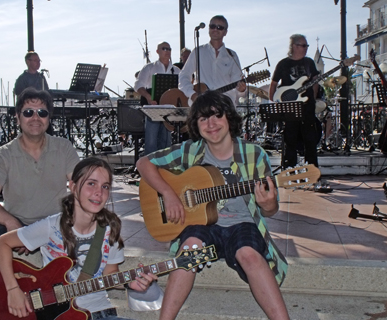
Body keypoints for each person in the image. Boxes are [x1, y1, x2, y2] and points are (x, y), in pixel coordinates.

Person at [136, 90, 289, 320]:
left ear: (229, 117)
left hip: (242, 224)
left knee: (249, 255)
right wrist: (168, 193)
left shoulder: (254, 154)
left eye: (217, 115)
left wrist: (268, 205)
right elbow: (143, 163)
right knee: (189, 250)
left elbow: (270, 209)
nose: (211, 124)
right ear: (196, 125)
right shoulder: (190, 150)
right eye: (203, 118)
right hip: (202, 225)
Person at [0, 157, 158, 319]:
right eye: (91, 183)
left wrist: (129, 283)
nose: (99, 192)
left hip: (101, 313)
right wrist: (12, 290)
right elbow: (2, 242)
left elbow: (110, 272)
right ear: (73, 186)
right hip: (61, 315)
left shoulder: (110, 229)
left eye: (105, 186)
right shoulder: (52, 226)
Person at [0, 88, 80, 285]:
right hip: (17, 222)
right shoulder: (3, 154)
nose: (35, 118)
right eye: (28, 112)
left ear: (49, 119)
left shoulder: (63, 147)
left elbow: (80, 186)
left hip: (54, 224)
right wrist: (11, 222)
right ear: (18, 117)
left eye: (42, 112)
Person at [269, 34, 320, 168]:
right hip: (289, 106)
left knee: (310, 139)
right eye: (303, 45)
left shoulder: (309, 63)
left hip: (307, 106)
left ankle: (312, 170)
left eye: (306, 46)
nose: (306, 48)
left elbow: (315, 82)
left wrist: (313, 98)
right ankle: (289, 169)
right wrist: (273, 100)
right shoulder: (283, 64)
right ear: (294, 46)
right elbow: (273, 83)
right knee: (290, 139)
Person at [179, 15, 246, 106]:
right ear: (209, 29)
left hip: (224, 104)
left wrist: (241, 90)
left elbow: (237, 86)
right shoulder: (198, 51)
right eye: (212, 26)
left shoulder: (232, 55)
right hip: (202, 105)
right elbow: (184, 76)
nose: (215, 29)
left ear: (225, 32)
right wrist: (192, 94)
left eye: (220, 27)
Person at [134, 41, 181, 155]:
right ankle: (150, 168)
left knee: (166, 142)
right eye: (164, 49)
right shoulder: (149, 68)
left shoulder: (176, 70)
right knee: (151, 141)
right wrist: (148, 97)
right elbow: (138, 85)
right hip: (153, 108)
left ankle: (164, 169)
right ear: (157, 51)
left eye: (169, 49)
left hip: (169, 109)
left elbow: (182, 89)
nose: (167, 51)